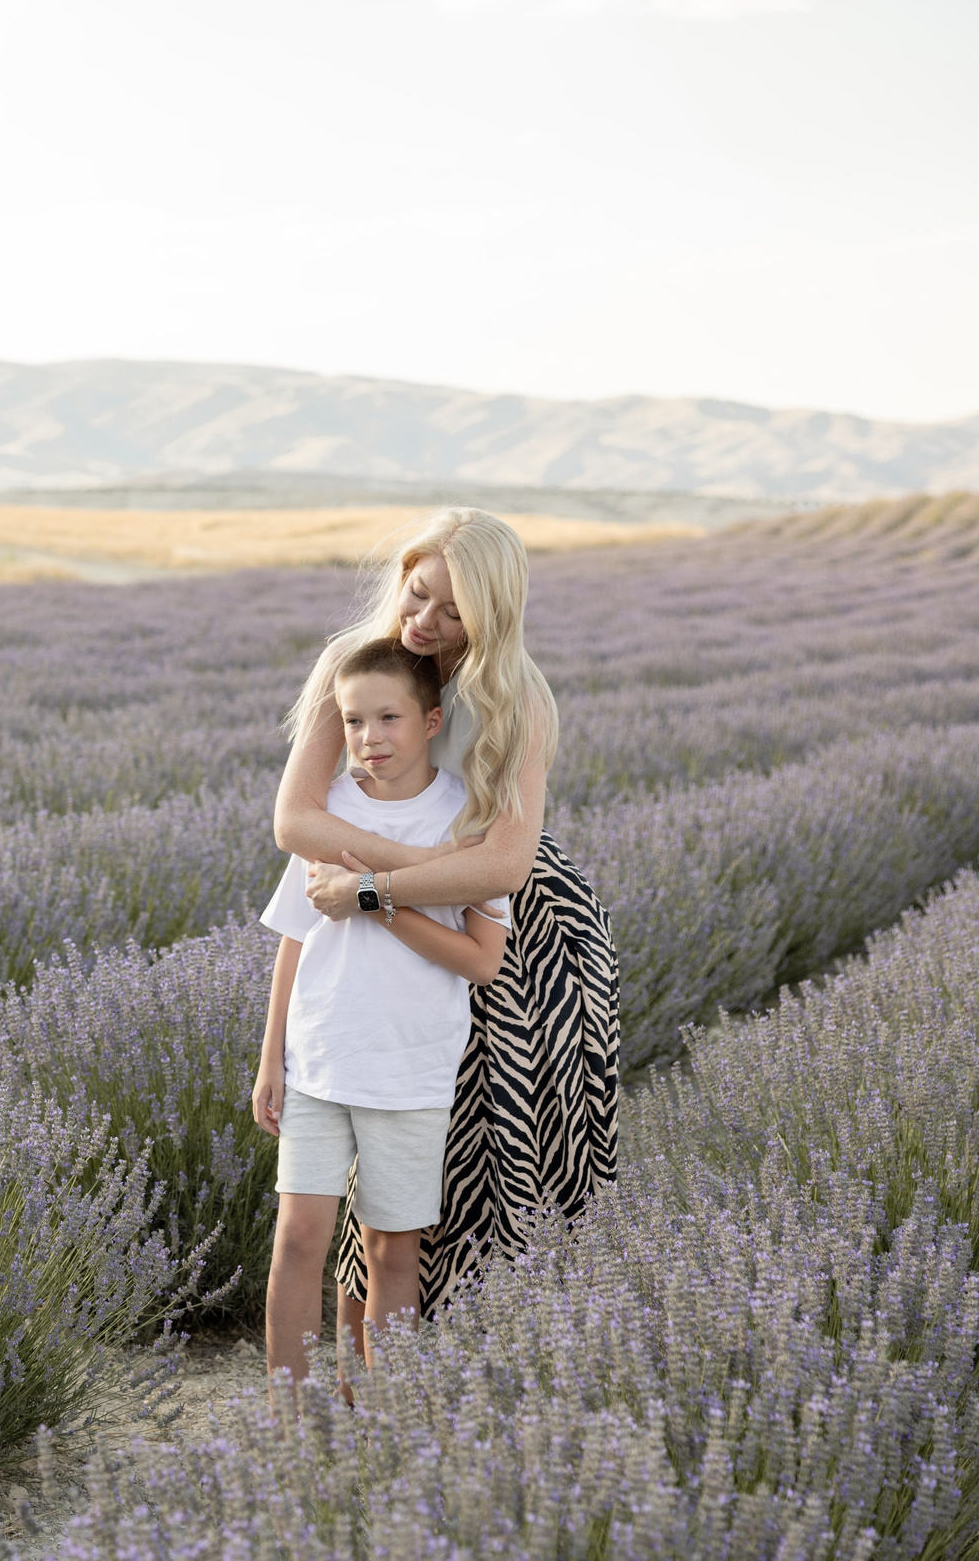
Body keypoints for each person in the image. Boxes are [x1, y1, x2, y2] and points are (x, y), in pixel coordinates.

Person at [272, 508, 620, 1351]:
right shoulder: (353, 665)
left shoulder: (520, 697)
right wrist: (414, 870)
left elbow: (506, 867)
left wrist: (380, 884)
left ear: (492, 617)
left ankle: (486, 1363)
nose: (424, 621)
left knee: (487, 1172)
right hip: (389, 915)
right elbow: (296, 821)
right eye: (417, 593)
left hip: (521, 942)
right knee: (374, 1163)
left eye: (453, 612)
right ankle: (356, 1383)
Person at [253, 638, 508, 1386]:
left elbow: (481, 960)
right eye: (353, 721)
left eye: (389, 717)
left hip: (410, 1065)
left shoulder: (466, 820)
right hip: (319, 1059)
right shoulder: (327, 813)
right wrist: (271, 1060)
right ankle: (290, 1419)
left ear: (432, 721)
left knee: (393, 1249)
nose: (370, 738)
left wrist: (375, 899)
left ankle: (382, 1415)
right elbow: (296, 939)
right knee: (298, 1239)